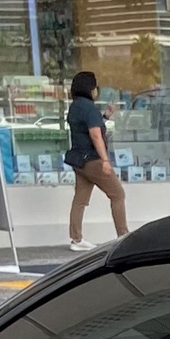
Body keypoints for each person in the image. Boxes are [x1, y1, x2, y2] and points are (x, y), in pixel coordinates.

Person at [65, 70, 131, 251]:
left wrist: (106, 117)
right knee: (117, 194)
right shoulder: (88, 107)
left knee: (80, 199)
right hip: (93, 160)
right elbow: (95, 135)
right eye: (95, 87)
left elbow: (87, 129)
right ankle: (123, 236)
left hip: (79, 161)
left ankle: (76, 239)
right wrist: (105, 161)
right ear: (90, 89)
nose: (97, 90)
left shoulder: (75, 106)